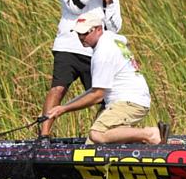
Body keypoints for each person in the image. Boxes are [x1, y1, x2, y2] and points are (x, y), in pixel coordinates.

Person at [46, 11, 169, 144]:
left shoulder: (102, 53)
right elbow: (124, 40)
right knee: (91, 146)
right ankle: (141, 144)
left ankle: (149, 134)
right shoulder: (111, 37)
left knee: (97, 134)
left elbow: (97, 95)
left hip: (128, 101)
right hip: (132, 99)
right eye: (78, 33)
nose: (81, 37)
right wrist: (62, 107)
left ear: (99, 29)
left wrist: (64, 109)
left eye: (85, 33)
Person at [40, 0, 123, 137]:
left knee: (102, 98)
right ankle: (43, 135)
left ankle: (99, 136)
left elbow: (114, 28)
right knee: (58, 88)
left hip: (95, 52)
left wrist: (109, 4)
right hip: (68, 47)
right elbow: (74, 6)